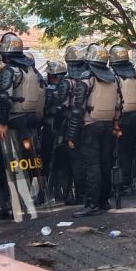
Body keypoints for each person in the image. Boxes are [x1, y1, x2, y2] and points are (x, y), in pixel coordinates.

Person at [0, 32, 46, 220]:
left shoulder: (9, 70)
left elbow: (4, 98)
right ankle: (22, 205)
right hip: (30, 123)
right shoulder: (34, 72)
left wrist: (1, 123)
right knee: (22, 164)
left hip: (11, 123)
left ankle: (5, 203)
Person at [67, 44, 122, 218]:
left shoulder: (87, 77)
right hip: (107, 126)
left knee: (92, 166)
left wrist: (71, 135)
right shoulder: (113, 78)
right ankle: (104, 200)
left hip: (90, 127)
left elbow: (77, 109)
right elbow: (119, 104)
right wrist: (115, 124)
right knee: (105, 164)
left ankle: (91, 204)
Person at [109, 45, 136, 190]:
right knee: (129, 151)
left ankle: (118, 183)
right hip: (134, 117)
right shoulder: (135, 73)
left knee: (118, 153)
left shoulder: (112, 74)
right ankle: (127, 180)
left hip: (119, 118)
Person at [42, 59, 71, 202]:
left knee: (49, 161)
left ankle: (51, 193)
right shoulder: (70, 87)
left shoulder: (48, 92)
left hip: (51, 129)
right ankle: (65, 192)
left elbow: (43, 110)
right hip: (67, 129)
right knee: (65, 162)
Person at [62, 46, 87, 204]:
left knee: (75, 161)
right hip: (89, 123)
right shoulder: (90, 79)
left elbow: (61, 106)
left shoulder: (67, 82)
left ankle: (79, 195)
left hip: (71, 124)